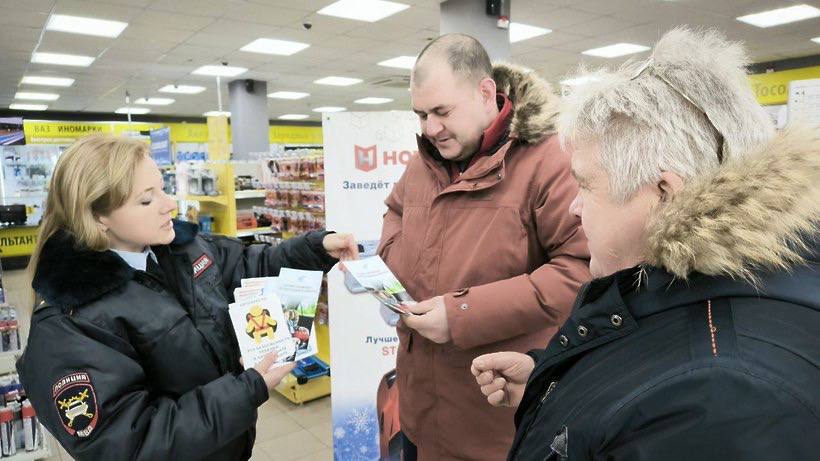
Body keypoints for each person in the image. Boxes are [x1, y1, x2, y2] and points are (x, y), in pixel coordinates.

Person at [472, 27, 820, 460]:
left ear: (665, 194)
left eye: (586, 185)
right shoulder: (700, 296)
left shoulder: (721, 399)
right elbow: (648, 371)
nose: (575, 208)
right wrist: (555, 383)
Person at [16, 134, 358, 460]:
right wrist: (244, 390)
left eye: (162, 189)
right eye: (146, 199)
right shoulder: (70, 321)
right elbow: (132, 444)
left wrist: (316, 248)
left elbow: (250, 264)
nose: (170, 204)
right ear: (97, 216)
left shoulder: (183, 248)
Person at [378, 34, 591, 460]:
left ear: (485, 92)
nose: (430, 129)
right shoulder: (424, 160)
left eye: (442, 112)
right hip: (419, 412)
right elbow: (396, 213)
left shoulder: (548, 160)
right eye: (421, 114)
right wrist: (398, 272)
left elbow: (580, 270)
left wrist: (460, 314)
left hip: (495, 424)